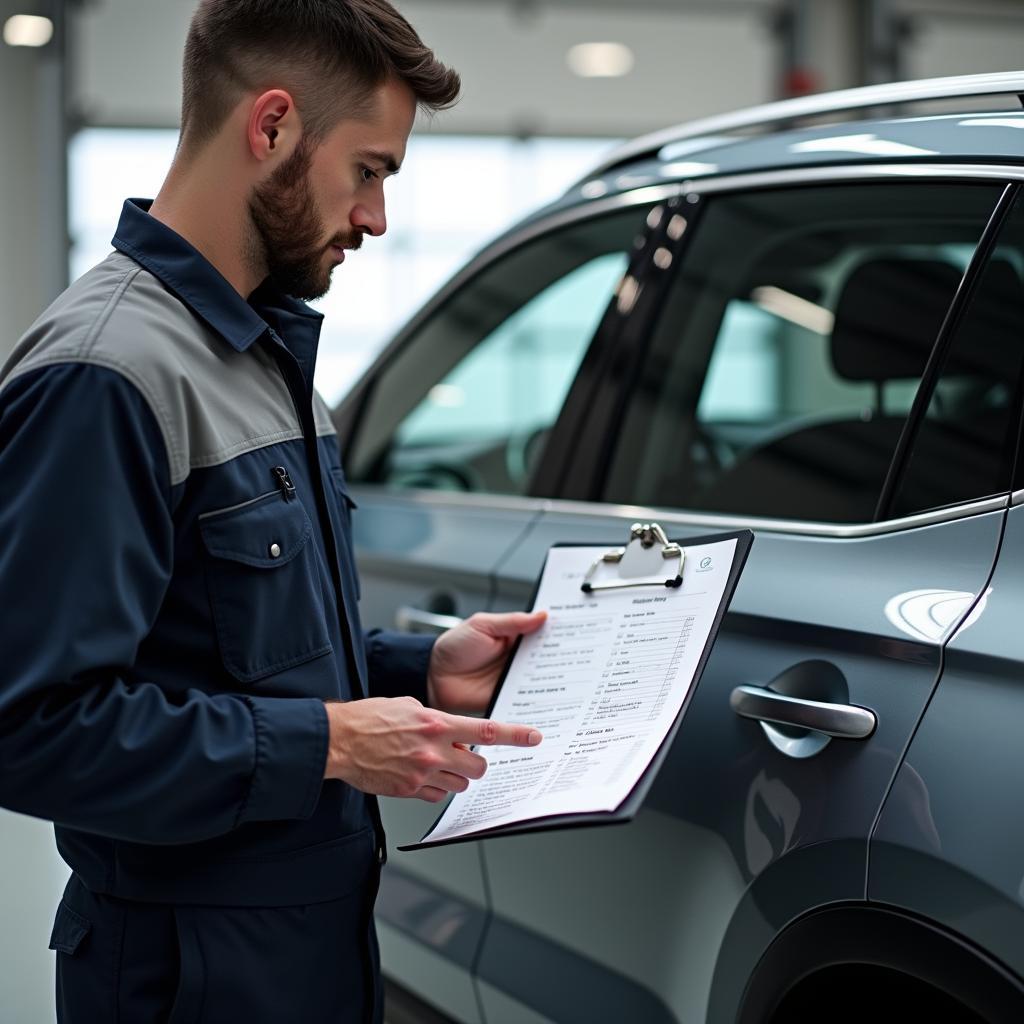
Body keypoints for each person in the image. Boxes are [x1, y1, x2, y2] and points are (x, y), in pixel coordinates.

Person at [0, 2, 544, 1021]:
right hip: (188, 973)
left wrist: (414, 668)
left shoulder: (264, 359)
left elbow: (223, 642)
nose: (375, 217)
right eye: (370, 170)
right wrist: (330, 746)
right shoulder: (106, 375)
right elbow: (30, 726)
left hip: (307, 950)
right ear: (274, 126)